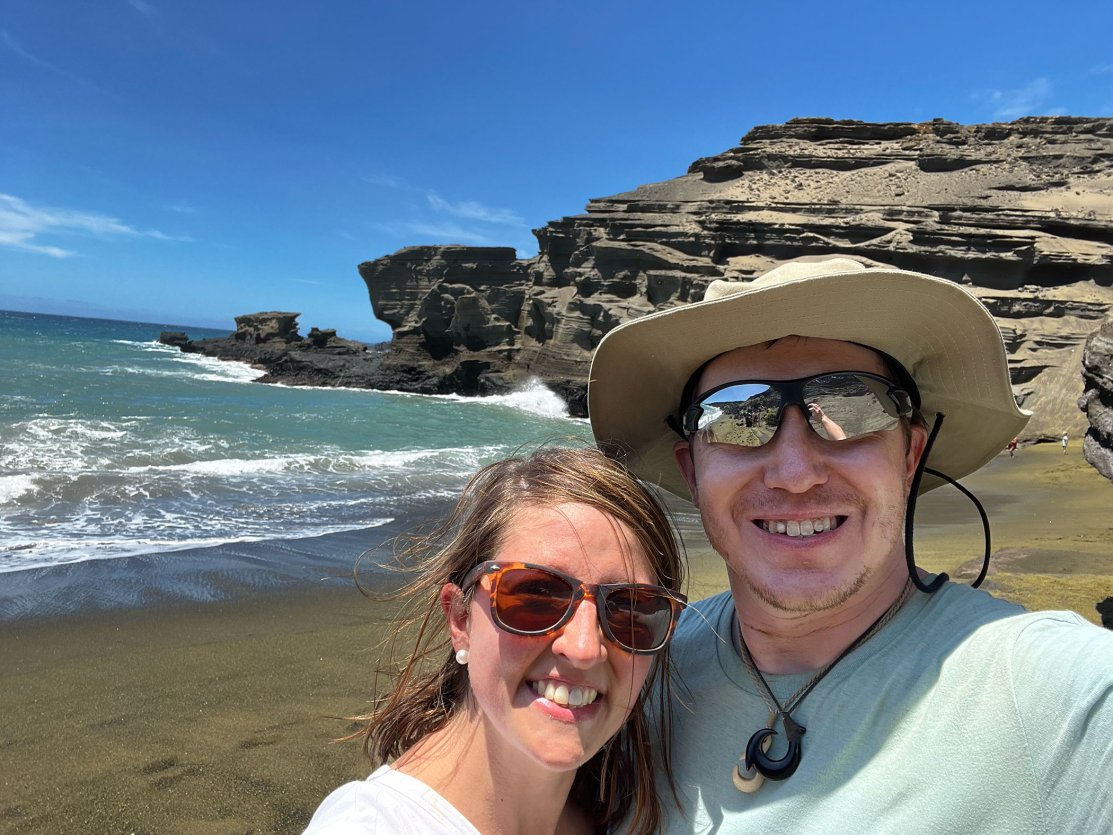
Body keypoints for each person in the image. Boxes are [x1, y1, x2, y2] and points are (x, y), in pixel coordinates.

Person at [588, 256, 1113, 832]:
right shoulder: (635, 673)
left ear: (910, 456)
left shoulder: (1057, 696)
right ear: (692, 472)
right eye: (738, 417)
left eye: (849, 409)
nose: (794, 472)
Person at [303, 446, 687, 834]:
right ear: (460, 619)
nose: (584, 648)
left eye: (629, 610)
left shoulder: (626, 810)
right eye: (536, 596)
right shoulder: (372, 825)